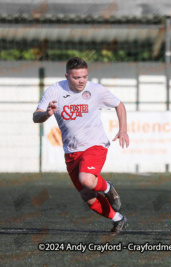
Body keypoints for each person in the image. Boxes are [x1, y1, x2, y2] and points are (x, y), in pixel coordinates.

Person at [33, 57, 129, 234]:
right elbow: (35, 117)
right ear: (67, 76)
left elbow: (119, 105)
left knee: (87, 179)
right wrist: (47, 114)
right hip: (71, 151)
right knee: (87, 196)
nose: (81, 81)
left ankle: (108, 187)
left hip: (95, 145)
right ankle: (118, 219)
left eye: (84, 76)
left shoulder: (96, 90)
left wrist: (123, 130)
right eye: (76, 77)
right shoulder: (55, 91)